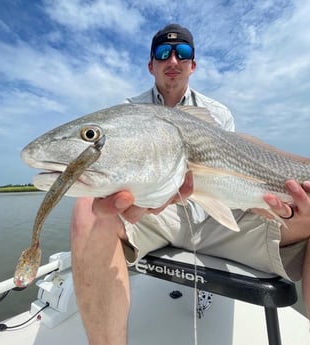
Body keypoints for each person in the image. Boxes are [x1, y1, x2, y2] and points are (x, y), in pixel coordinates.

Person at [70, 24, 310, 345]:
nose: (173, 60)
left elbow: (232, 181)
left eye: (182, 53)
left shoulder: (217, 113)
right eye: (162, 53)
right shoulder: (130, 113)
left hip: (216, 219)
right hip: (157, 216)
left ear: (192, 65)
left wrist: (269, 203)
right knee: (87, 207)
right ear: (151, 64)